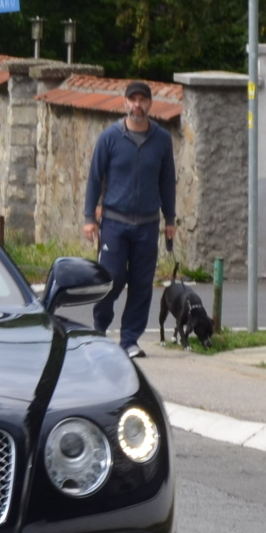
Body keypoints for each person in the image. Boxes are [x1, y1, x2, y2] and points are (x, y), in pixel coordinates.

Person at [81, 80, 177, 356]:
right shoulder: (110, 138)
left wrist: (170, 219)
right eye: (132, 100)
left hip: (147, 224)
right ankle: (100, 327)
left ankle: (130, 340)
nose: (137, 105)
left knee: (141, 283)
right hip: (114, 222)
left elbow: (167, 182)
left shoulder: (161, 140)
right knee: (111, 277)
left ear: (150, 104)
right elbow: (95, 178)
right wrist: (90, 217)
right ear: (125, 103)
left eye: (142, 100)